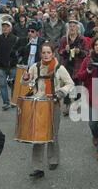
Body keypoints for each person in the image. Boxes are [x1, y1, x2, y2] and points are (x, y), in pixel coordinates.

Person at [21, 42, 74, 178]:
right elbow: (24, 83)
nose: (46, 55)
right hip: (38, 104)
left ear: (53, 54)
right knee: (37, 135)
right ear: (40, 54)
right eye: (43, 53)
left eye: (48, 53)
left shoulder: (59, 68)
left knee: (53, 132)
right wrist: (25, 78)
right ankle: (37, 167)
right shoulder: (35, 67)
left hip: (53, 104)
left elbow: (70, 83)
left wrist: (61, 93)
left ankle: (53, 159)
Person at [58, 20, 90, 116]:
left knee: (77, 86)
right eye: (70, 26)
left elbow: (87, 53)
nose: (72, 28)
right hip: (67, 65)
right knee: (66, 86)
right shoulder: (64, 39)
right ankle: (67, 106)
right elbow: (59, 51)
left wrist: (79, 52)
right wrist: (65, 50)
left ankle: (77, 105)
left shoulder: (82, 39)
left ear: (77, 28)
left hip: (77, 66)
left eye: (74, 26)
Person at [0, 21, 19, 110]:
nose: (5, 28)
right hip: (1, 66)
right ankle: (6, 102)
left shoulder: (15, 38)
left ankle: (14, 101)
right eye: (3, 26)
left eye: (7, 26)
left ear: (10, 28)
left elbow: (18, 51)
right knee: (2, 85)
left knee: (13, 84)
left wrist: (15, 60)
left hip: (12, 65)